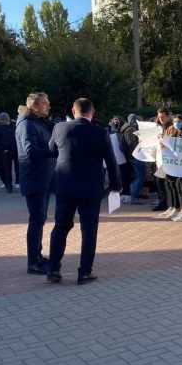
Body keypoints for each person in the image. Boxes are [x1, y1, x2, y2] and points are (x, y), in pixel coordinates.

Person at [45, 98, 121, 284]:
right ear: (92, 112)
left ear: (73, 110)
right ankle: (84, 272)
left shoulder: (59, 128)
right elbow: (111, 161)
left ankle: (53, 269)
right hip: (90, 188)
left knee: (60, 227)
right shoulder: (100, 132)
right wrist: (116, 185)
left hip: (64, 186)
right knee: (88, 230)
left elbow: (51, 149)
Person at [16, 93, 56, 275]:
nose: (48, 107)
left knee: (40, 220)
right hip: (35, 179)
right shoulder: (26, 124)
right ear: (35, 106)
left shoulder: (38, 122)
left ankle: (38, 256)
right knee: (36, 220)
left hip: (43, 178)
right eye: (45, 104)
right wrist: (53, 151)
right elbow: (30, 152)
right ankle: (33, 262)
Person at [162, 115, 182, 222]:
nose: (177, 123)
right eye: (175, 121)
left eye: (179, 121)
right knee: (178, 186)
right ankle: (181, 209)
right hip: (176, 164)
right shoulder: (174, 133)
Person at [151, 107, 173, 212]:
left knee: (165, 182)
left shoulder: (171, 127)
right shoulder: (160, 127)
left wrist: (163, 139)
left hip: (167, 160)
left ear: (168, 116)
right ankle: (163, 201)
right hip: (160, 159)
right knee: (159, 181)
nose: (161, 119)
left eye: (163, 117)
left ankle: (166, 203)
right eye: (159, 117)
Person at [0, 112, 19, 192]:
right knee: (7, 169)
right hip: (6, 151)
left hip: (16, 149)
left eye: (2, 120)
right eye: (0, 120)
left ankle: (18, 182)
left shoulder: (15, 125)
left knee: (18, 168)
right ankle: (9, 186)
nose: (1, 122)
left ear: (7, 119)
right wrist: (3, 149)